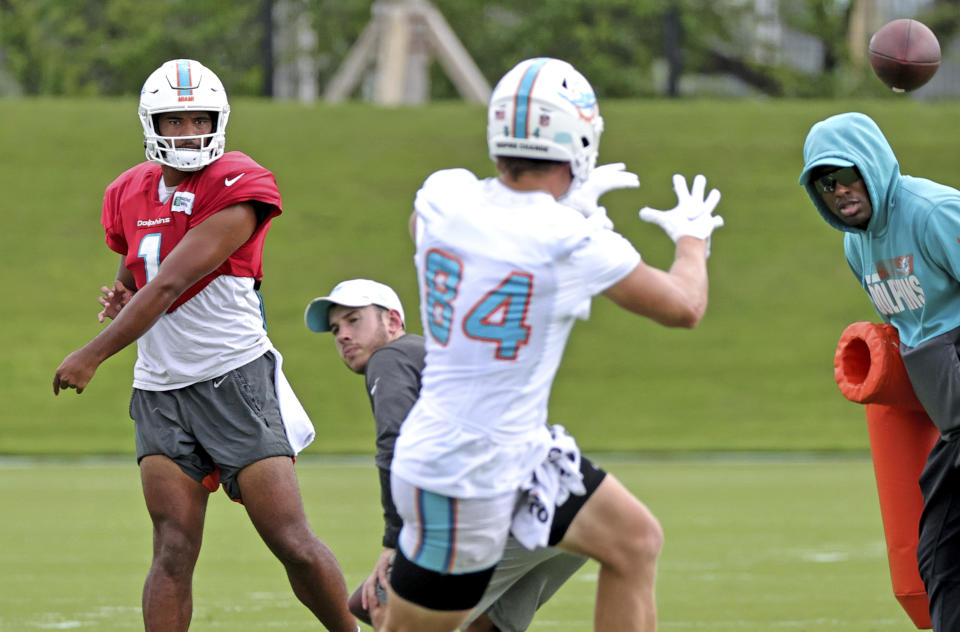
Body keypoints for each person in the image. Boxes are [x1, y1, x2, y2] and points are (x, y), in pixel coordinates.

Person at [381, 57, 725, 632]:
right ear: (581, 141)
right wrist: (692, 238)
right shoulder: (568, 238)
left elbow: (430, 231)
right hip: (467, 471)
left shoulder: (447, 195)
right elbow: (684, 306)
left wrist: (560, 210)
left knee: (634, 541)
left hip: (515, 451)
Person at [51, 59, 357, 632]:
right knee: (172, 548)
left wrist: (92, 352)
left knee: (289, 540)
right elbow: (141, 268)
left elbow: (170, 281)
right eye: (175, 119)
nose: (189, 130)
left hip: (233, 377)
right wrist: (123, 294)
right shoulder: (127, 190)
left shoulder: (238, 180)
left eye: (200, 117)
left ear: (220, 120)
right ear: (152, 124)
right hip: (161, 388)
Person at [305, 278, 611, 630]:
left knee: (381, 606)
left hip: (520, 505)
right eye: (335, 328)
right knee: (484, 626)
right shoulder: (429, 354)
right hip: (573, 503)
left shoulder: (390, 357)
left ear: (392, 321)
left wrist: (395, 541)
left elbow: (394, 442)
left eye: (354, 320)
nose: (342, 335)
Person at [800, 111, 960, 631]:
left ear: (872, 167)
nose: (839, 190)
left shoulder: (934, 212)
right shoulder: (856, 246)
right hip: (952, 424)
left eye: (846, 175)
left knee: (944, 555)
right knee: (938, 558)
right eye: (825, 183)